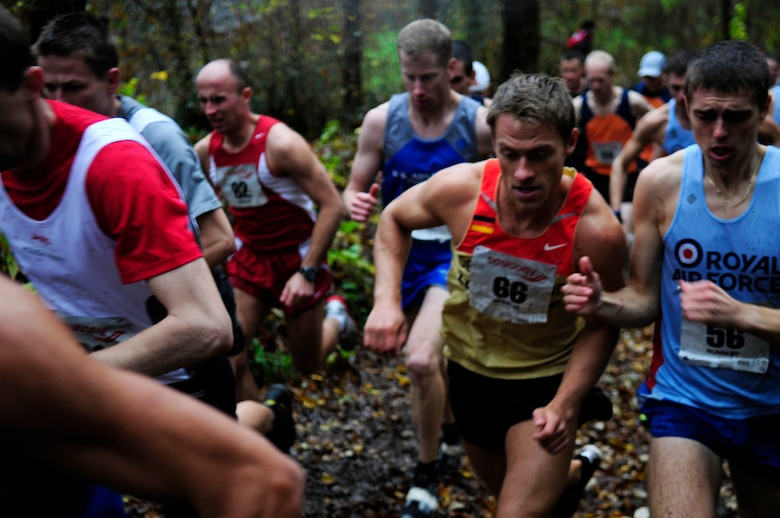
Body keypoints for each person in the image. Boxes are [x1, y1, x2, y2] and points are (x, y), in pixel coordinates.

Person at [364, 72, 627, 517]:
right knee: (505, 489)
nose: (522, 172)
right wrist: (386, 301)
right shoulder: (461, 190)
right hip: (469, 373)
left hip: (543, 383)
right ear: (494, 144)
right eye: (510, 154)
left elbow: (605, 322)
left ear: (569, 143)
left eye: (539, 154)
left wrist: (567, 403)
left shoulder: (596, 230)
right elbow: (393, 220)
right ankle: (574, 474)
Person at [32, 11, 295, 453]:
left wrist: (148, 281)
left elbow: (219, 238)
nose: (59, 102)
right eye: (48, 89)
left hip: (188, 301)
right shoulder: (45, 141)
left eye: (74, 88)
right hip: (121, 320)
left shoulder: (153, 137)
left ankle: (271, 419)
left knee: (206, 447)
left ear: (112, 81)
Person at [563, 40, 780, 517]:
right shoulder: (660, 182)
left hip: (770, 406)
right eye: (705, 116)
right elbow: (644, 300)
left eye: (738, 117)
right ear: (684, 108)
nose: (719, 132)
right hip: (685, 400)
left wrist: (742, 314)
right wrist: (603, 303)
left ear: (764, 106)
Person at [0, 271, 304, 517]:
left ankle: (271, 413)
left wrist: (80, 371)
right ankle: (272, 410)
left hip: (168, 350)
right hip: (116, 353)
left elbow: (263, 481)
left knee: (213, 458)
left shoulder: (11, 341)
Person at [343, 18, 493, 517]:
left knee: (421, 359)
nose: (418, 89)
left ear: (452, 69)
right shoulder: (382, 121)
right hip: (400, 250)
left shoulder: (477, 122)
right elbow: (353, 185)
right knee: (435, 358)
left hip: (453, 256)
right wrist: (355, 203)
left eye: (428, 77)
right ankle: (449, 428)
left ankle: (425, 474)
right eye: (409, 77)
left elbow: (512, 185)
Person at [194, 58, 357, 400]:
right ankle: (262, 431)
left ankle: (337, 320)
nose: (210, 109)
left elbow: (332, 205)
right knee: (232, 358)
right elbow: (202, 212)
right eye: (203, 100)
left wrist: (308, 271)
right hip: (250, 258)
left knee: (308, 363)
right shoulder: (206, 152)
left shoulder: (280, 143)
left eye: (219, 99)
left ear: (245, 95)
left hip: (297, 257)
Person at [610, 50, 698, 231]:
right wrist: (616, 211)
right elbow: (620, 164)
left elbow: (773, 138)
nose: (682, 96)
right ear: (666, 82)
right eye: (676, 88)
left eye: (687, 87)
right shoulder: (657, 122)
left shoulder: (722, 118)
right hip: (673, 202)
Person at [572, 50, 652, 204]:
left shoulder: (632, 101)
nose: (595, 86)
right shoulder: (578, 106)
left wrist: (651, 158)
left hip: (629, 173)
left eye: (600, 80)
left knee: (625, 223)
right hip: (594, 175)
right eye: (591, 80)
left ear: (612, 75)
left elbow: (660, 125)